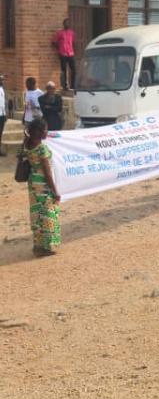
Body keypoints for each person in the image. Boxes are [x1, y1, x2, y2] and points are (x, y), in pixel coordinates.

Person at [22, 118, 61, 257]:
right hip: (43, 185)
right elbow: (48, 174)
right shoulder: (41, 148)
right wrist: (55, 191)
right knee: (48, 214)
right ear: (39, 131)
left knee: (37, 214)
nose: (47, 132)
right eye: (45, 129)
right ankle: (48, 246)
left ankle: (37, 246)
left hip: (33, 184)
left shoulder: (28, 144)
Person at [52, 18, 76, 91]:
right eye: (66, 23)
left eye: (68, 23)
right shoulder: (60, 33)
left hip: (71, 53)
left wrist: (74, 50)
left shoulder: (72, 33)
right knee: (63, 70)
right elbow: (54, 42)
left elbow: (74, 42)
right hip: (63, 53)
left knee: (74, 70)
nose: (67, 24)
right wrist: (59, 48)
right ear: (63, 24)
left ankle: (73, 85)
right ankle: (64, 86)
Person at [0, 73, 6, 156]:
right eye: (1, 80)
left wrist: (5, 114)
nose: (2, 81)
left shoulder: (2, 89)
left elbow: (2, 103)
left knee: (0, 132)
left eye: (2, 80)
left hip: (1, 114)